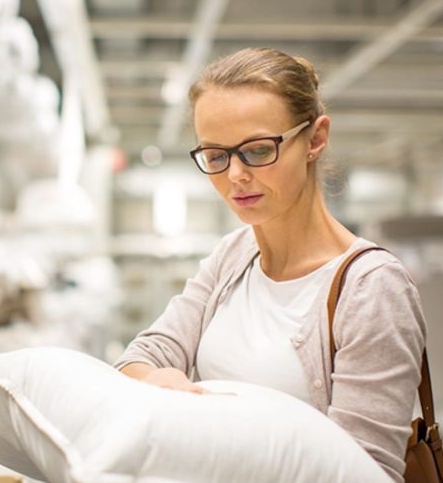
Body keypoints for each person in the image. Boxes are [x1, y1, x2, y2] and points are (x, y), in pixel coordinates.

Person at [114, 47, 426, 482]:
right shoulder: (233, 257)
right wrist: (155, 380)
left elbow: (366, 471)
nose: (235, 176)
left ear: (315, 139)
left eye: (258, 151)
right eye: (215, 156)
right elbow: (141, 356)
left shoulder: (371, 289)